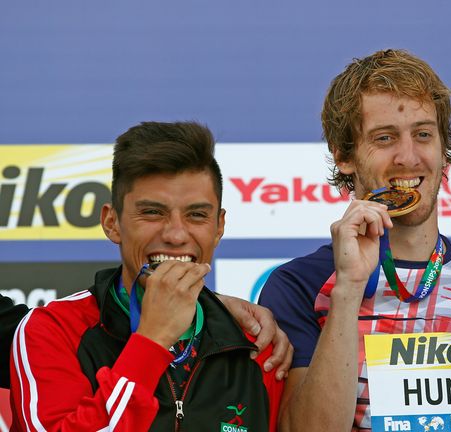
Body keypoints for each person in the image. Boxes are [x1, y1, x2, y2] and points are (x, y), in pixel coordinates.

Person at [259, 49, 451, 431]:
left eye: (423, 134)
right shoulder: (299, 285)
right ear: (344, 156)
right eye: (385, 137)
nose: (408, 157)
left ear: (444, 151)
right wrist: (348, 290)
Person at [10, 121, 286, 431]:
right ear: (112, 223)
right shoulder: (53, 331)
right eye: (153, 212)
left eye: (197, 215)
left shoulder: (256, 345)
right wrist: (152, 341)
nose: (176, 235)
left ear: (219, 226)